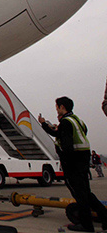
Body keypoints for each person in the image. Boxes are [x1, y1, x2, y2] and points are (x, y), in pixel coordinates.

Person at [38, 97, 107, 232]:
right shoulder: (77, 120)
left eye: (57, 107)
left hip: (73, 163)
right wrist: (45, 125)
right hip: (82, 160)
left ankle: (87, 225)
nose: (56, 109)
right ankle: (105, 218)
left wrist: (66, 162)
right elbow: (74, 134)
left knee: (80, 195)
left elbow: (67, 145)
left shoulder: (65, 122)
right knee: (86, 194)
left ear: (62, 107)